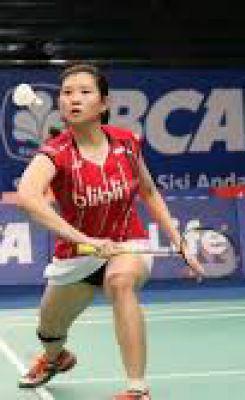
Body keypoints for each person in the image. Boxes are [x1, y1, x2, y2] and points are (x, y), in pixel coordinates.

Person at [16, 64, 204, 400]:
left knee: (120, 282)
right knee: (49, 330)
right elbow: (28, 198)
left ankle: (137, 388)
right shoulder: (55, 152)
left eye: (84, 92)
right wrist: (85, 240)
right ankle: (56, 358)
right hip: (78, 253)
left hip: (126, 242)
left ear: (103, 103)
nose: (74, 98)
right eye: (67, 93)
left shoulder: (126, 143)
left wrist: (180, 242)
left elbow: (149, 191)